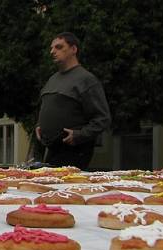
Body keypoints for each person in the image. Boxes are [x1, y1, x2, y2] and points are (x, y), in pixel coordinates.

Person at [35, 32, 111, 170]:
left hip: (75, 151)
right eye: (51, 48)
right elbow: (47, 107)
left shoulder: (86, 80)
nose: (52, 51)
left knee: (66, 188)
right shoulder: (52, 79)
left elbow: (103, 119)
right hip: (52, 149)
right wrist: (40, 125)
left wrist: (79, 135)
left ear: (73, 49)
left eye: (59, 47)